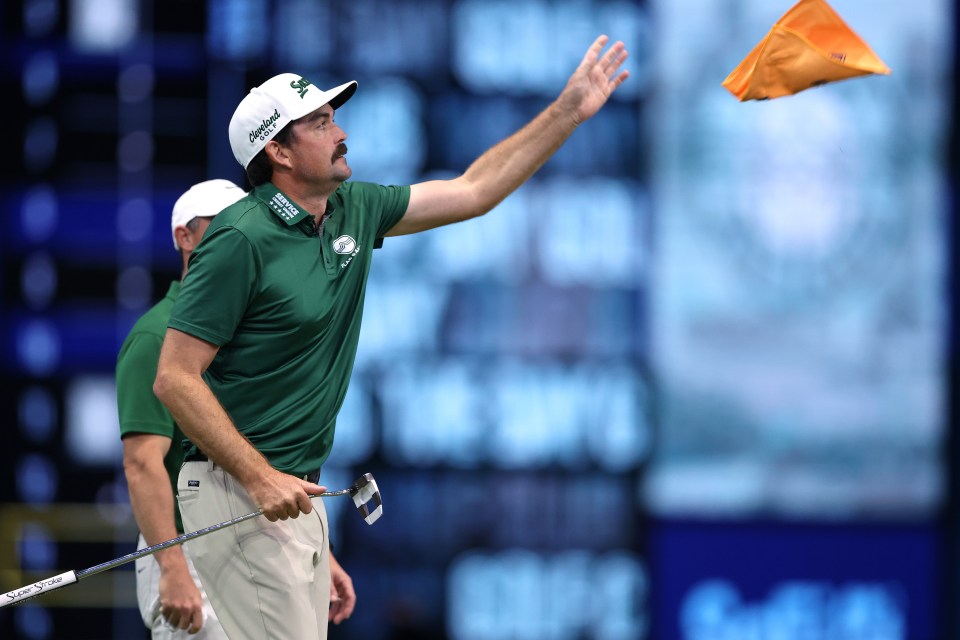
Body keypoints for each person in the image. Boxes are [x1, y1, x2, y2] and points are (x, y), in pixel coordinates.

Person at [153, 34, 628, 640]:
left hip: (287, 494)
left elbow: (473, 190)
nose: (341, 133)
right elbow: (174, 377)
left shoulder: (353, 208)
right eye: (320, 124)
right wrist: (256, 476)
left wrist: (568, 111)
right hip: (240, 489)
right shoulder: (239, 239)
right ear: (279, 151)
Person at [117, 179, 358, 638]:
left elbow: (258, 457)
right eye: (218, 224)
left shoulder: (249, 337)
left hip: (252, 540)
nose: (235, 232)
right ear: (183, 238)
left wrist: (319, 554)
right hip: (189, 548)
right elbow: (143, 464)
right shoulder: (158, 336)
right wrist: (171, 566)